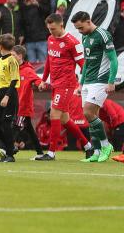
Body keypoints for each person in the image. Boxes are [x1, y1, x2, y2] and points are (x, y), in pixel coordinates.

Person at [37, 14, 93, 160]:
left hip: (67, 84)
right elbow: (49, 60)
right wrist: (43, 79)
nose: (51, 32)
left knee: (54, 115)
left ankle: (51, 152)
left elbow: (83, 65)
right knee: (64, 119)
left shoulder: (72, 42)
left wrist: (82, 83)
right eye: (49, 29)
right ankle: (88, 146)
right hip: (55, 83)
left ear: (61, 25)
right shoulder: (50, 39)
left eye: (53, 29)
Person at [71, 11, 117, 163]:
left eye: (81, 27)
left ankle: (106, 146)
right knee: (91, 117)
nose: (79, 31)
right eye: (77, 29)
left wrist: (111, 82)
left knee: (88, 112)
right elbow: (87, 62)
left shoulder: (103, 35)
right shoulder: (85, 37)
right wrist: (81, 83)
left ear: (89, 21)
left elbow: (113, 60)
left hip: (101, 80)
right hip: (88, 81)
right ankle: (96, 152)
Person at [0, 34, 20, 162]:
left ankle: (10, 155)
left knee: (6, 124)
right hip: (0, 93)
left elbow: (14, 79)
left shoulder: (12, 60)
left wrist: (7, 96)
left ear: (0, 46)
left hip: (9, 94)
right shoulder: (1, 60)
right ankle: (9, 146)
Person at [12, 45, 44, 158]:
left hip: (23, 106)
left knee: (16, 126)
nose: (11, 58)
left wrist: (40, 84)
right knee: (29, 130)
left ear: (20, 56)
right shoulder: (13, 69)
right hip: (16, 106)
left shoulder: (28, 70)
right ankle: (40, 153)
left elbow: (37, 80)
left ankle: (10, 149)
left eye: (13, 55)